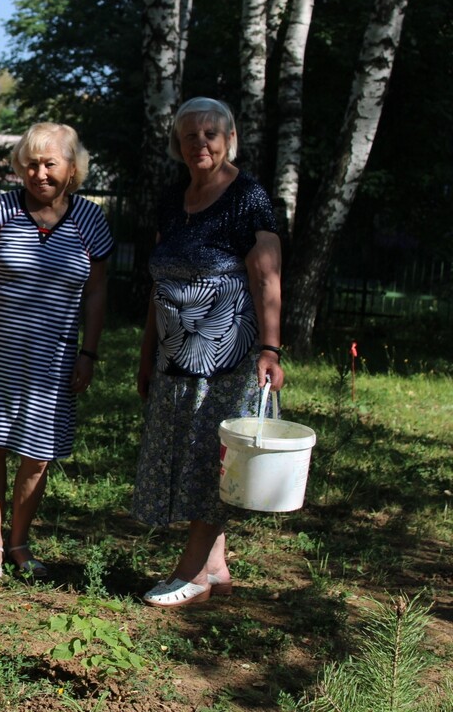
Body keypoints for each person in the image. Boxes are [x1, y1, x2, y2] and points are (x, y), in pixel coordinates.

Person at [131, 97, 285, 607]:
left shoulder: (250, 198)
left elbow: (267, 277)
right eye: (190, 135)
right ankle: (216, 568)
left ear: (229, 139)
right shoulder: (173, 199)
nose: (201, 143)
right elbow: (159, 283)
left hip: (227, 354)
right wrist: (147, 350)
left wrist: (270, 349)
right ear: (179, 144)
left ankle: (192, 573)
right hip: (175, 355)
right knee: (184, 451)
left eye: (210, 134)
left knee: (207, 454)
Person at [0, 122, 112, 579]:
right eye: (31, 164)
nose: (39, 173)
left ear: (72, 169)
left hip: (52, 359)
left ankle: (20, 541)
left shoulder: (91, 221)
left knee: (38, 453)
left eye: (49, 164)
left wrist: (88, 352)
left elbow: (96, 294)